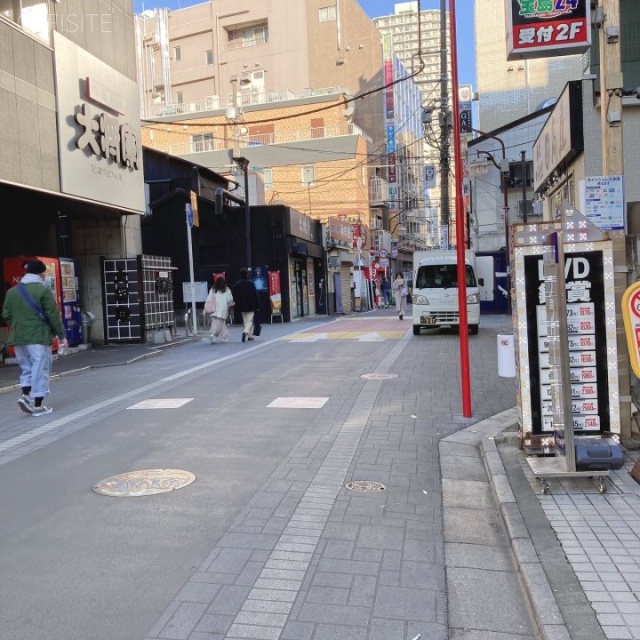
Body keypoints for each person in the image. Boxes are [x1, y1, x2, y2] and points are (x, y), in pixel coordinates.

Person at [1, 259, 68, 416]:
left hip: (18, 336)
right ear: (42, 274)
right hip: (38, 336)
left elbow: (6, 314)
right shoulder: (43, 290)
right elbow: (53, 315)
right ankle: (38, 406)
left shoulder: (12, 292)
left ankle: (25, 396)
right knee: (40, 368)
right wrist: (61, 336)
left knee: (26, 367)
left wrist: (18, 325)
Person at [231, 267, 260, 342]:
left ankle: (249, 336)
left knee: (245, 321)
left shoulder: (237, 284)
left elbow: (233, 295)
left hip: (241, 306)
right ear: (247, 274)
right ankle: (245, 332)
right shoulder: (250, 283)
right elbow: (255, 295)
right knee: (250, 321)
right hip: (251, 305)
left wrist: (237, 303)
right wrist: (257, 305)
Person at [207, 275, 234, 343]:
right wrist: (230, 304)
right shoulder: (226, 289)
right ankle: (215, 335)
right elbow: (230, 299)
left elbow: (209, 299)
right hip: (223, 310)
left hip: (214, 309)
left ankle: (220, 335)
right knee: (221, 323)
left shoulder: (213, 289)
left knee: (216, 323)